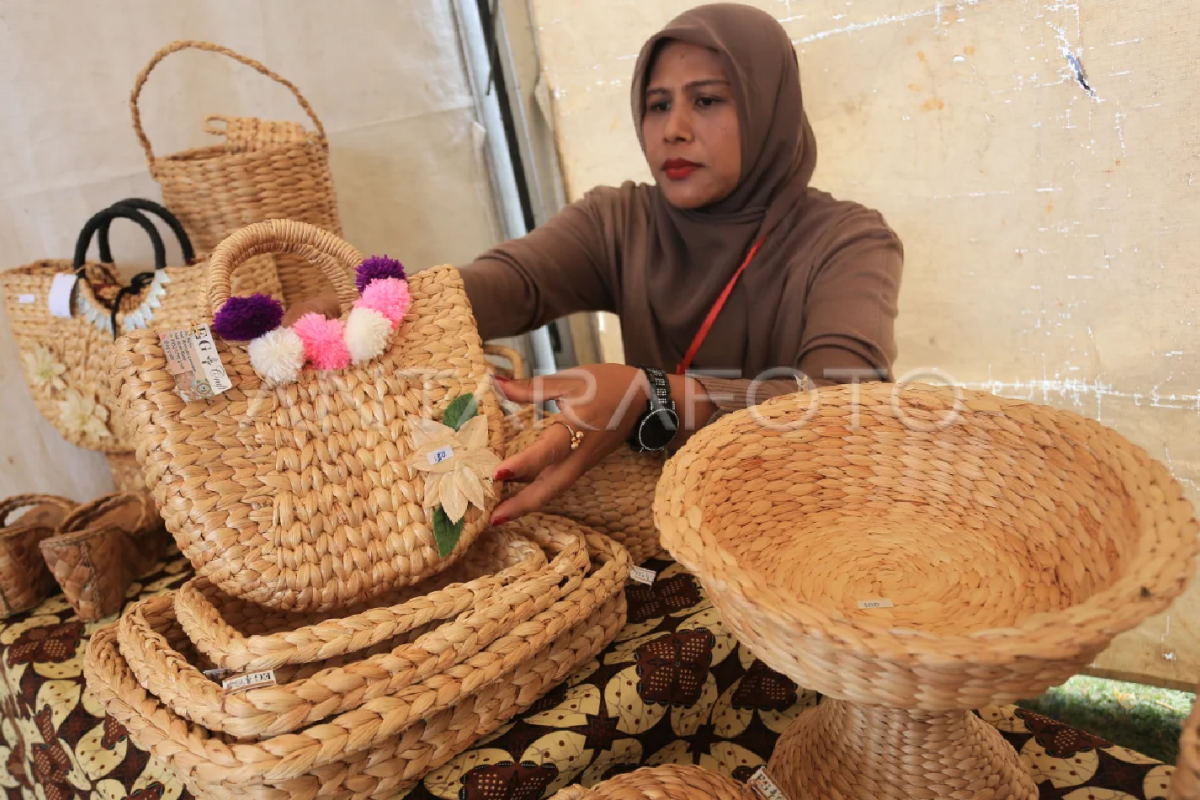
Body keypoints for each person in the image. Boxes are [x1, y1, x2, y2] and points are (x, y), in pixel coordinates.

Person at [290, 3, 903, 526]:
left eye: (708, 100)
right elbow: (509, 283)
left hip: (802, 523)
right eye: (657, 105)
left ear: (770, 107)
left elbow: (846, 404)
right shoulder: (621, 221)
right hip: (657, 515)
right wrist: (368, 308)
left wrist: (654, 395)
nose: (675, 130)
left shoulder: (846, 240)